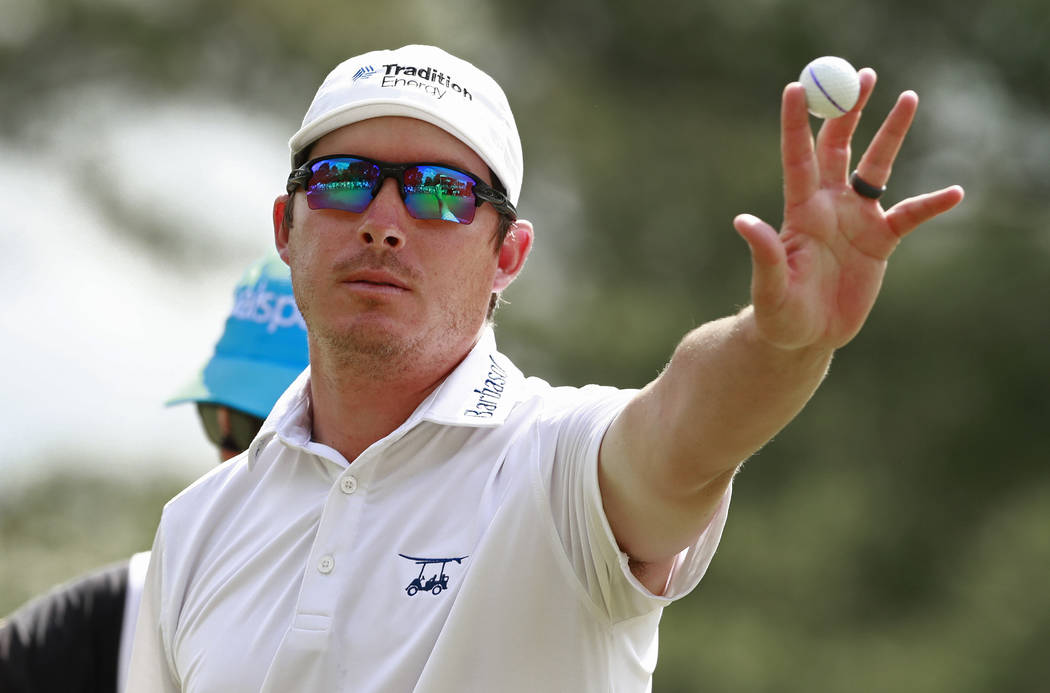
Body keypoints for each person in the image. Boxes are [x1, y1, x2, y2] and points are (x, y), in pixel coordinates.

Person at [128, 44, 964, 692]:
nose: (384, 220)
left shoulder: (558, 460)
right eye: (345, 181)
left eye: (439, 192)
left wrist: (781, 344)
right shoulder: (195, 527)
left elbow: (684, 433)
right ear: (287, 225)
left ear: (509, 255)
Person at [0, 251, 309, 693]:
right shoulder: (140, 599)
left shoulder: (429, 615)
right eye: (213, 422)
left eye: (252, 429)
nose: (229, 457)